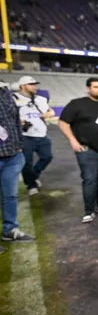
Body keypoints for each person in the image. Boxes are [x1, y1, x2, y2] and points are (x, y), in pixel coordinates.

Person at [58, 78, 98, 223]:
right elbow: (63, 122)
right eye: (96, 87)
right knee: (89, 180)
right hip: (87, 150)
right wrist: (73, 140)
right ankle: (89, 210)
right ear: (88, 88)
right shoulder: (77, 104)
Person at [0, 85, 35, 245]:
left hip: (12, 154)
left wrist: (20, 145)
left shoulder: (5, 92)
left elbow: (14, 121)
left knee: (11, 196)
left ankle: (10, 230)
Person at [13, 76, 55, 196]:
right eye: (31, 84)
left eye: (35, 84)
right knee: (26, 162)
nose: (34, 86)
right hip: (25, 135)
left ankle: (34, 175)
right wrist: (19, 122)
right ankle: (31, 185)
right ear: (22, 86)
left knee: (47, 157)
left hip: (42, 134)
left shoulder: (41, 99)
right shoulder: (13, 99)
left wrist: (47, 114)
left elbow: (51, 111)